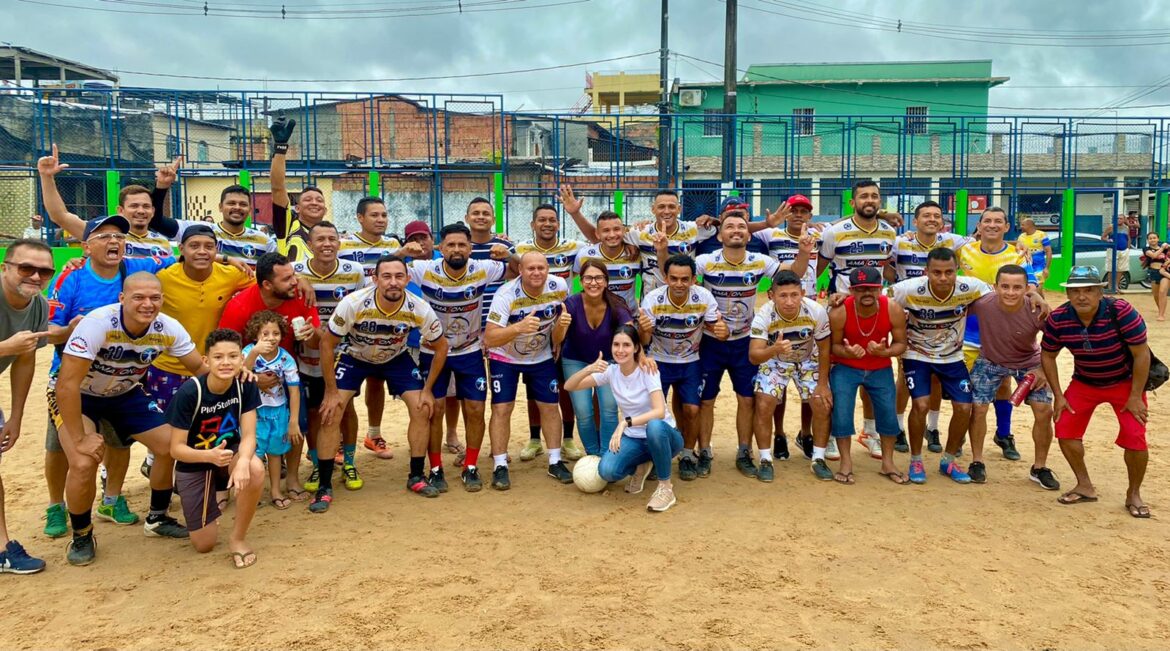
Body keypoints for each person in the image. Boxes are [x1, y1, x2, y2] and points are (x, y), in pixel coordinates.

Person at [55, 272, 208, 566]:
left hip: (124, 393)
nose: (147, 304)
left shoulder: (168, 327)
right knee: (83, 461)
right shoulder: (98, 323)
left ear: (162, 300)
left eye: (154, 298)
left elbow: (200, 369)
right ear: (122, 298)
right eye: (138, 297)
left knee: (170, 446)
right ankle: (82, 534)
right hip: (80, 395)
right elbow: (66, 385)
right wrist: (80, 438)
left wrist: (241, 379)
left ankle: (158, 517)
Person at [42, 215, 177, 538]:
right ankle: (55, 506)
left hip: (123, 380)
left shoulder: (134, 270)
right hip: (74, 379)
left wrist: (229, 259)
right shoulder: (70, 276)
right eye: (103, 237)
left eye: (118, 236)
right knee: (67, 450)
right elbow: (47, 332)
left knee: (120, 443)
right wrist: (69, 331)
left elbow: (185, 253)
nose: (113, 241)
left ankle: (112, 499)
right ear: (86, 247)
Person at [317, 255, 447, 512]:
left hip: (395, 358)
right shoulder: (353, 303)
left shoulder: (419, 307)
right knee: (331, 412)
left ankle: (416, 476)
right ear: (375, 279)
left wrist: (428, 390)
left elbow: (442, 347)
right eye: (386, 277)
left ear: (408, 279)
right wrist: (331, 392)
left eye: (399, 277)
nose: (393, 282)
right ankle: (324, 486)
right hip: (356, 356)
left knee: (422, 408)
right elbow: (326, 344)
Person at [143, 223, 255, 495]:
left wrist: (299, 280)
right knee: (168, 441)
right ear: (181, 249)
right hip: (167, 370)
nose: (202, 252)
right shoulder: (164, 277)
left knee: (206, 431)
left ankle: (199, 486)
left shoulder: (230, 274)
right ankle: (159, 499)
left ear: (217, 249)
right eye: (194, 246)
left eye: (209, 247)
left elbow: (265, 282)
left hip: (210, 368)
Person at [1040, 266, 1152, 518]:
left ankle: (1134, 493)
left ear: (1100, 292)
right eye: (1075, 291)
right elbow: (1047, 355)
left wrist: (1136, 396)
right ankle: (1084, 485)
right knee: (1066, 429)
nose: (1082, 296)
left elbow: (1141, 354)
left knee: (1135, 436)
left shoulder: (1120, 311)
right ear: (1068, 294)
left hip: (1125, 382)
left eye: (1088, 290)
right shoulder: (1059, 319)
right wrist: (1058, 394)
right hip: (1085, 382)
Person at [409, 223, 512, 492]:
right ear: (440, 248)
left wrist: (509, 254)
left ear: (470, 248)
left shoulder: (483, 268)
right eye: (450, 245)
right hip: (434, 351)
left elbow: (519, 269)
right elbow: (384, 272)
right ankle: (435, 468)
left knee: (476, 409)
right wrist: (401, 251)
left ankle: (470, 466)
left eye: (462, 245)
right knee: (436, 409)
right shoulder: (423, 269)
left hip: (470, 349)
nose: (456, 249)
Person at [218, 253, 322, 484]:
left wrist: (310, 335)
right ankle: (235, 481)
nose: (295, 282)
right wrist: (252, 377)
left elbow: (317, 342)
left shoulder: (300, 296)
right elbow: (224, 350)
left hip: (287, 371)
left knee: (297, 425)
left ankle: (292, 478)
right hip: (245, 374)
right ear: (267, 284)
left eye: (294, 275)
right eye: (287, 279)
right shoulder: (240, 305)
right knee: (241, 430)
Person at [891, 248, 993, 484]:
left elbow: (999, 301)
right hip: (917, 354)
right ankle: (916, 459)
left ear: (957, 270)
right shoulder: (908, 289)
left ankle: (948, 460)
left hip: (952, 356)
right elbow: (878, 301)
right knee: (921, 404)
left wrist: (1034, 296)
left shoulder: (971, 287)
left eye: (949, 272)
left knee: (964, 408)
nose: (943, 278)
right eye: (936, 272)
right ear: (926, 271)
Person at [166, 329, 264, 568]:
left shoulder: (245, 385)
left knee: (254, 468)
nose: (226, 362)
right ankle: (207, 504)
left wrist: (242, 462)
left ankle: (238, 538)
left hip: (228, 452)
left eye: (233, 356)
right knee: (204, 544)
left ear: (242, 359)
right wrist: (208, 456)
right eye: (218, 357)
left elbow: (250, 435)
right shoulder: (190, 392)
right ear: (206, 360)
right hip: (194, 460)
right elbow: (176, 449)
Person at [693, 212, 780, 478]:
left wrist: (803, 251)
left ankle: (744, 452)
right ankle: (704, 451)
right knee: (706, 400)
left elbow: (791, 276)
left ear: (748, 234)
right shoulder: (705, 262)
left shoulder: (759, 261)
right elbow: (682, 285)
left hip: (744, 342)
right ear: (720, 234)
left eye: (742, 226)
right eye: (730, 226)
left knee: (747, 399)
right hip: (711, 343)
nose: (736, 230)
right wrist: (708, 325)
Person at [817, 180, 898, 460]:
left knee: (873, 366)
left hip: (874, 310)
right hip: (842, 307)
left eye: (875, 196)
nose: (870, 200)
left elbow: (887, 270)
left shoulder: (889, 233)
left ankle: (869, 431)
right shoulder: (835, 232)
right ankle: (830, 435)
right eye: (863, 196)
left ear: (880, 201)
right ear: (853, 202)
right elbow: (819, 267)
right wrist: (825, 296)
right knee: (838, 373)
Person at [564, 325, 683, 512]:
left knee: (654, 426)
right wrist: (588, 369)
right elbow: (570, 386)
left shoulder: (647, 369)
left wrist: (625, 423)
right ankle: (641, 466)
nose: (620, 350)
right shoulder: (612, 372)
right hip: (635, 438)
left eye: (626, 345)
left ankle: (665, 488)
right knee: (607, 471)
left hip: (665, 437)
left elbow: (659, 411)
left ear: (636, 348)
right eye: (616, 345)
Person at [887, 200, 971, 453]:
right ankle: (898, 426)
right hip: (909, 316)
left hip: (942, 317)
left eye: (937, 215)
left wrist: (1018, 244)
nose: (932, 219)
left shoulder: (952, 242)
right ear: (916, 221)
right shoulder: (900, 242)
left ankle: (932, 428)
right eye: (926, 215)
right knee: (905, 375)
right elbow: (881, 263)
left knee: (937, 376)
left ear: (942, 221)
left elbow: (984, 242)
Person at [292, 222, 367, 497]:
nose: (326, 244)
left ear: (339, 243)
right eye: (320, 239)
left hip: (343, 354)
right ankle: (316, 462)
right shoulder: (296, 271)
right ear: (309, 245)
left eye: (332, 239)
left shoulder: (355, 272)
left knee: (345, 408)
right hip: (306, 355)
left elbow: (364, 308)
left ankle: (348, 461)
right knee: (314, 411)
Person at [484, 252, 572, 489]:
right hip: (505, 356)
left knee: (550, 408)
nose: (536, 273)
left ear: (548, 269)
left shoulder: (559, 286)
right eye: (530, 268)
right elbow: (490, 338)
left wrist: (559, 334)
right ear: (520, 270)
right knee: (502, 408)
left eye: (541, 268)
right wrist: (519, 328)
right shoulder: (506, 294)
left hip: (540, 356)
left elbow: (557, 330)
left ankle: (555, 461)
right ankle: (500, 465)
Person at [968, 265, 1058, 489]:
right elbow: (954, 309)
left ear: (1026, 288)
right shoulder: (982, 304)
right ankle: (977, 461)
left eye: (1017, 287)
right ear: (995, 287)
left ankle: (1039, 467)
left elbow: (1056, 340)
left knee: (1044, 410)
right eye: (1005, 286)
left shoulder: (1038, 310)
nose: (1010, 292)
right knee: (977, 408)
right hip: (990, 360)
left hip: (1029, 363)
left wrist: (1043, 370)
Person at [957, 207, 1037, 458]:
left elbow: (1031, 285)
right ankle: (958, 435)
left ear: (1006, 226)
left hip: (1005, 333)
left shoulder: (1017, 255)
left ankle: (1004, 434)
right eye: (987, 221)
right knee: (966, 388)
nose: (992, 225)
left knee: (1003, 383)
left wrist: (1036, 297)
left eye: (998, 221)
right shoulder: (963, 250)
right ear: (978, 226)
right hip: (969, 332)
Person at [638, 254, 726, 480]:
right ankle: (657, 457)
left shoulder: (704, 296)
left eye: (684, 279)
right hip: (658, 362)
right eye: (674, 278)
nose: (679, 284)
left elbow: (718, 328)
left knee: (692, 410)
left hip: (690, 361)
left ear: (694, 279)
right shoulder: (653, 299)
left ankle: (687, 455)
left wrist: (722, 331)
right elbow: (644, 341)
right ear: (665, 278)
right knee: (655, 414)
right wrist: (644, 329)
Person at [515, 203, 588, 462]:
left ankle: (568, 438)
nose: (548, 224)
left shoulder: (573, 248)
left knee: (566, 385)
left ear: (558, 224)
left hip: (563, 326)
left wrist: (575, 213)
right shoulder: (520, 249)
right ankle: (535, 439)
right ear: (533, 224)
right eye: (542, 220)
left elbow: (596, 240)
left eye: (552, 220)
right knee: (534, 388)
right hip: (533, 328)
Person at [0, 240, 56, 574]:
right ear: (6, 267)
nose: (35, 276)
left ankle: (3, 548)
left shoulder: (38, 306)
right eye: (26, 268)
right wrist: (5, 345)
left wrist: (17, 416)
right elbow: (13, 349)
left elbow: (24, 360)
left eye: (43, 271)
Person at [748, 270, 832, 483]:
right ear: (771, 295)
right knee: (764, 402)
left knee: (822, 402)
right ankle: (766, 459)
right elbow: (754, 356)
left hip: (807, 359)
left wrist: (823, 384)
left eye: (794, 295)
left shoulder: (816, 311)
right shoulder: (764, 315)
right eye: (783, 295)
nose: (789, 301)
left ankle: (818, 458)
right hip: (776, 360)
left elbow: (824, 349)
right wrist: (774, 349)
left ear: (803, 293)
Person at [827, 267, 908, 485]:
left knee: (888, 413)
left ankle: (888, 462)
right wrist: (847, 352)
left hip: (879, 366)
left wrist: (886, 352)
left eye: (871, 289)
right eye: (860, 289)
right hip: (846, 367)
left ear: (880, 289)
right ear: (851, 290)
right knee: (842, 410)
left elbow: (901, 343)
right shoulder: (839, 312)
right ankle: (846, 462)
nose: (866, 294)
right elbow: (833, 346)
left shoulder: (892, 309)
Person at [38, 144, 176, 261]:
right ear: (120, 210)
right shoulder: (103, 235)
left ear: (152, 211)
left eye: (146, 206)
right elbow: (59, 215)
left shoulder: (163, 244)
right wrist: (46, 177)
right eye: (134, 206)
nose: (140, 210)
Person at [566, 187, 715, 295]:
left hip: (685, 295)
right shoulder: (640, 232)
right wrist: (575, 213)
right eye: (661, 207)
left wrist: (714, 220)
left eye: (671, 207)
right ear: (653, 209)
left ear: (679, 209)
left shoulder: (694, 229)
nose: (667, 211)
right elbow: (601, 236)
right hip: (652, 300)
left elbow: (729, 230)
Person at [555, 258, 633, 456]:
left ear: (606, 281)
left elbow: (629, 332)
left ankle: (607, 454)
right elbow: (556, 339)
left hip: (609, 361)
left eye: (599, 278)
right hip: (575, 359)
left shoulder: (617, 304)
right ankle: (592, 455)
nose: (593, 282)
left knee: (608, 407)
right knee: (583, 411)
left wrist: (634, 334)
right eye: (588, 278)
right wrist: (561, 324)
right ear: (581, 281)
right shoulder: (570, 304)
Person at [150, 164, 277, 268]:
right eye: (231, 203)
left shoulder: (265, 242)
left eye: (243, 204)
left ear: (249, 210)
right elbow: (155, 221)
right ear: (220, 207)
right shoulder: (199, 230)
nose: (237, 207)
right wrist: (162, 187)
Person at [242, 312, 302, 509]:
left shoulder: (285, 358)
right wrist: (254, 353)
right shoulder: (248, 352)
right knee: (254, 453)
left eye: (275, 333)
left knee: (276, 453)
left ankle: (275, 490)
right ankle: (254, 492)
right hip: (254, 412)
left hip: (278, 411)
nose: (270, 338)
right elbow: (240, 373)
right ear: (255, 334)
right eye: (265, 333)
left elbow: (294, 391)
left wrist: (293, 421)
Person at [268, 117, 327, 263]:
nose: (314, 203)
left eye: (319, 200)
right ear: (298, 208)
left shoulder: (329, 234)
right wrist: (280, 148)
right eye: (308, 199)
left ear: (325, 210)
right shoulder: (288, 225)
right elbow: (277, 188)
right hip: (291, 284)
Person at [570, 210, 642, 313]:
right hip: (596, 316)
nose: (612, 235)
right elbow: (571, 276)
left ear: (624, 231)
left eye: (616, 229)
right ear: (597, 234)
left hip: (628, 316)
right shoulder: (584, 255)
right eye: (606, 230)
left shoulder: (635, 254)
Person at [1016, 218, 1052, 291]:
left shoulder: (1041, 235)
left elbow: (1048, 251)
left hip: (1039, 266)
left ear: (1029, 225)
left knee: (1037, 287)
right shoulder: (1021, 237)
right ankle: (1041, 301)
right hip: (1026, 266)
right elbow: (1018, 250)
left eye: (1023, 225)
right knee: (1030, 288)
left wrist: (1046, 268)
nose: (1021, 226)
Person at [1142, 232, 1170, 321]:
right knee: (1156, 295)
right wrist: (1162, 248)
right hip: (1154, 272)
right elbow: (1154, 255)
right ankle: (1160, 310)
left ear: (1158, 239)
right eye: (1150, 238)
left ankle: (1161, 315)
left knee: (1162, 292)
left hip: (1164, 271)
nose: (1152, 240)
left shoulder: (1165, 248)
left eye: (1154, 238)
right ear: (1148, 240)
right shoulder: (1146, 249)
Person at [1100, 221, 1131, 288]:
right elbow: (1103, 237)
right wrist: (1108, 240)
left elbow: (1128, 238)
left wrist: (1128, 248)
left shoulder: (1126, 228)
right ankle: (1110, 286)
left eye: (1121, 218)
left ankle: (1116, 285)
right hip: (1113, 250)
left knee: (1121, 269)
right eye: (1118, 218)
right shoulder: (1111, 227)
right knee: (1111, 268)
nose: (1119, 220)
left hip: (1123, 250)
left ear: (1124, 219)